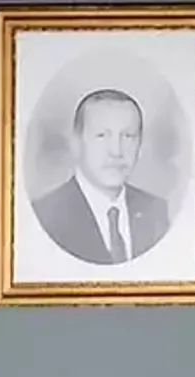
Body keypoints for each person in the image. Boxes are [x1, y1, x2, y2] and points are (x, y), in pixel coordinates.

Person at [31, 88, 170, 265]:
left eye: (128, 136)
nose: (116, 151)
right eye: (101, 136)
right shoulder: (47, 215)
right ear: (76, 143)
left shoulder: (155, 211)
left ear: (140, 146)